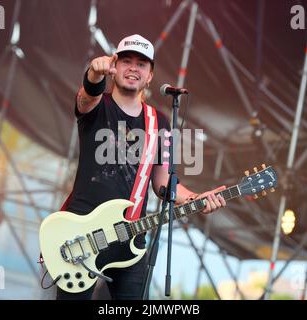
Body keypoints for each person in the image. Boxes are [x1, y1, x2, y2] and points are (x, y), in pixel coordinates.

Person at [57, 34, 226, 300]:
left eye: (141, 64)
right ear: (114, 67)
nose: (133, 68)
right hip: (82, 234)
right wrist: (92, 75)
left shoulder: (159, 121)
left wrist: (196, 199)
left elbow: (163, 184)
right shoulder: (99, 105)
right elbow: (85, 100)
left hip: (130, 238)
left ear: (150, 76)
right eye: (126, 61)